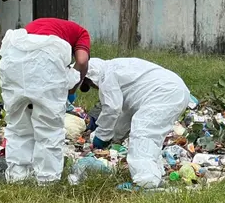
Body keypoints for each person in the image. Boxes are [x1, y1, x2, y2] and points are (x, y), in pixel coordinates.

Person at [0, 18, 90, 184]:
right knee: (48, 128)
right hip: (46, 64)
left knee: (19, 125)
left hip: (13, 63)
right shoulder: (81, 33)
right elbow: (82, 61)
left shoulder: (38, 24)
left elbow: (28, 54)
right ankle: (47, 181)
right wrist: (72, 87)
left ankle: (17, 177)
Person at [81, 57, 190, 189]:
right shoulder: (117, 69)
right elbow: (126, 115)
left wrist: (102, 136)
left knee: (142, 134)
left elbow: (111, 109)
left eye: (91, 84)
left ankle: (145, 182)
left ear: (91, 77)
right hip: (175, 90)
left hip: (163, 92)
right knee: (152, 137)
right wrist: (115, 137)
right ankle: (155, 173)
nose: (94, 87)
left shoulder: (106, 76)